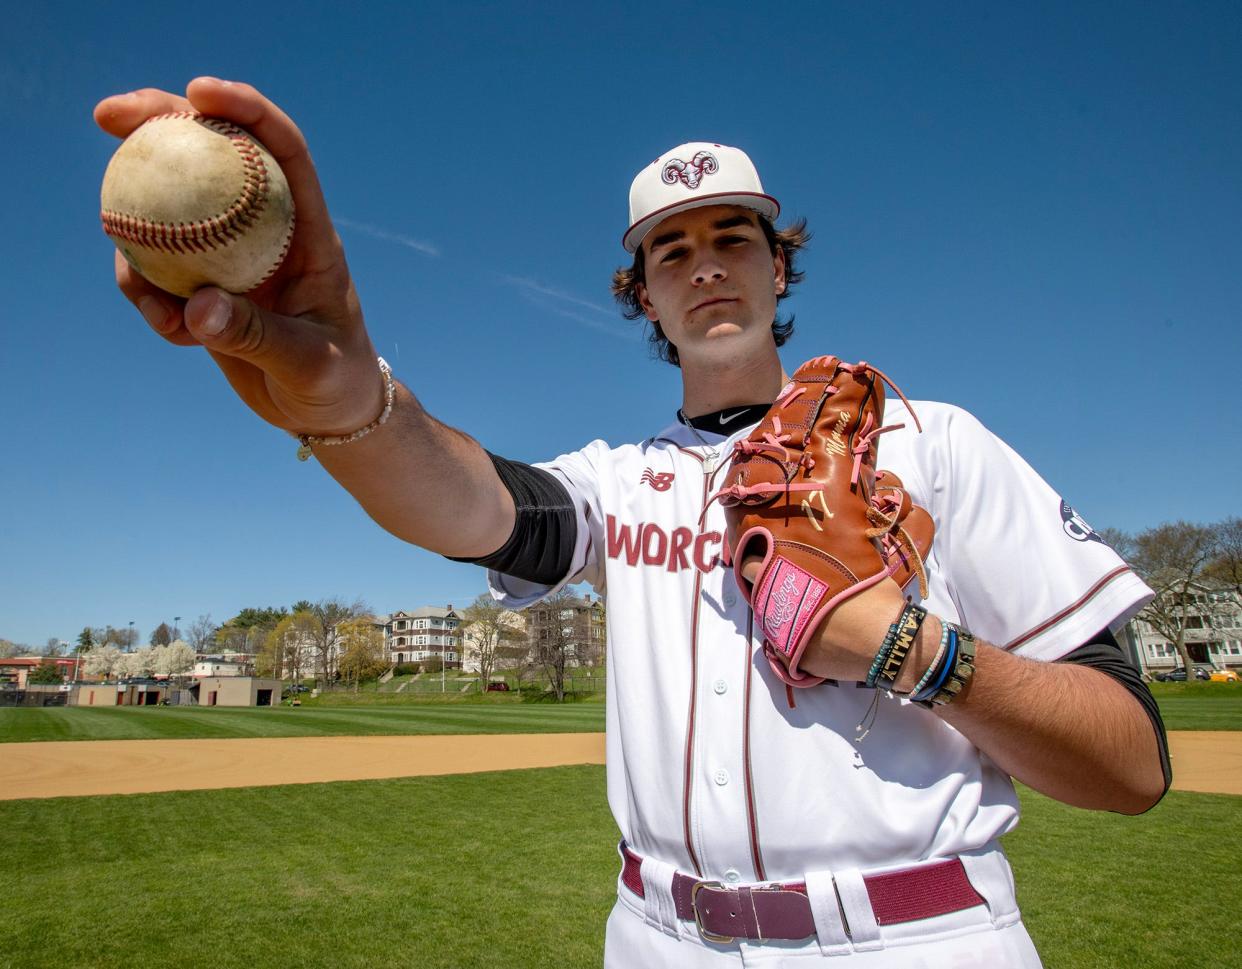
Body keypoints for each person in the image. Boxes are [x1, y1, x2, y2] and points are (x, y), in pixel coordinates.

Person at [96, 79, 1170, 967]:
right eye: (671, 251)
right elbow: (465, 501)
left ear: (778, 265)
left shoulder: (933, 445)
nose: (704, 263)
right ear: (644, 296)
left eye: (732, 238)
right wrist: (346, 399)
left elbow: (1130, 765)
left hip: (913, 937)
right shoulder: (617, 485)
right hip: (656, 939)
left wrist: (911, 649)